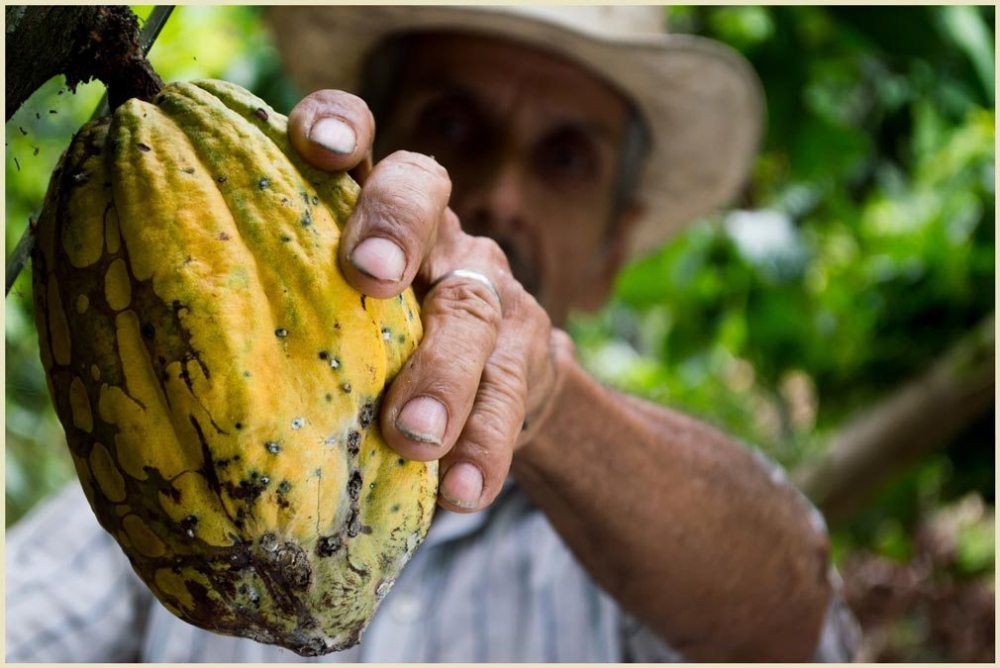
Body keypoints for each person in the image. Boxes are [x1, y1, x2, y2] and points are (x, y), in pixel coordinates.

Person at [5, 6, 860, 662]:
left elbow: (791, 614)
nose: (501, 194)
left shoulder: (644, 556)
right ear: (353, 149)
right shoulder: (153, 457)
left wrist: (546, 400)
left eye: (566, 157)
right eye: (453, 127)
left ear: (614, 250)